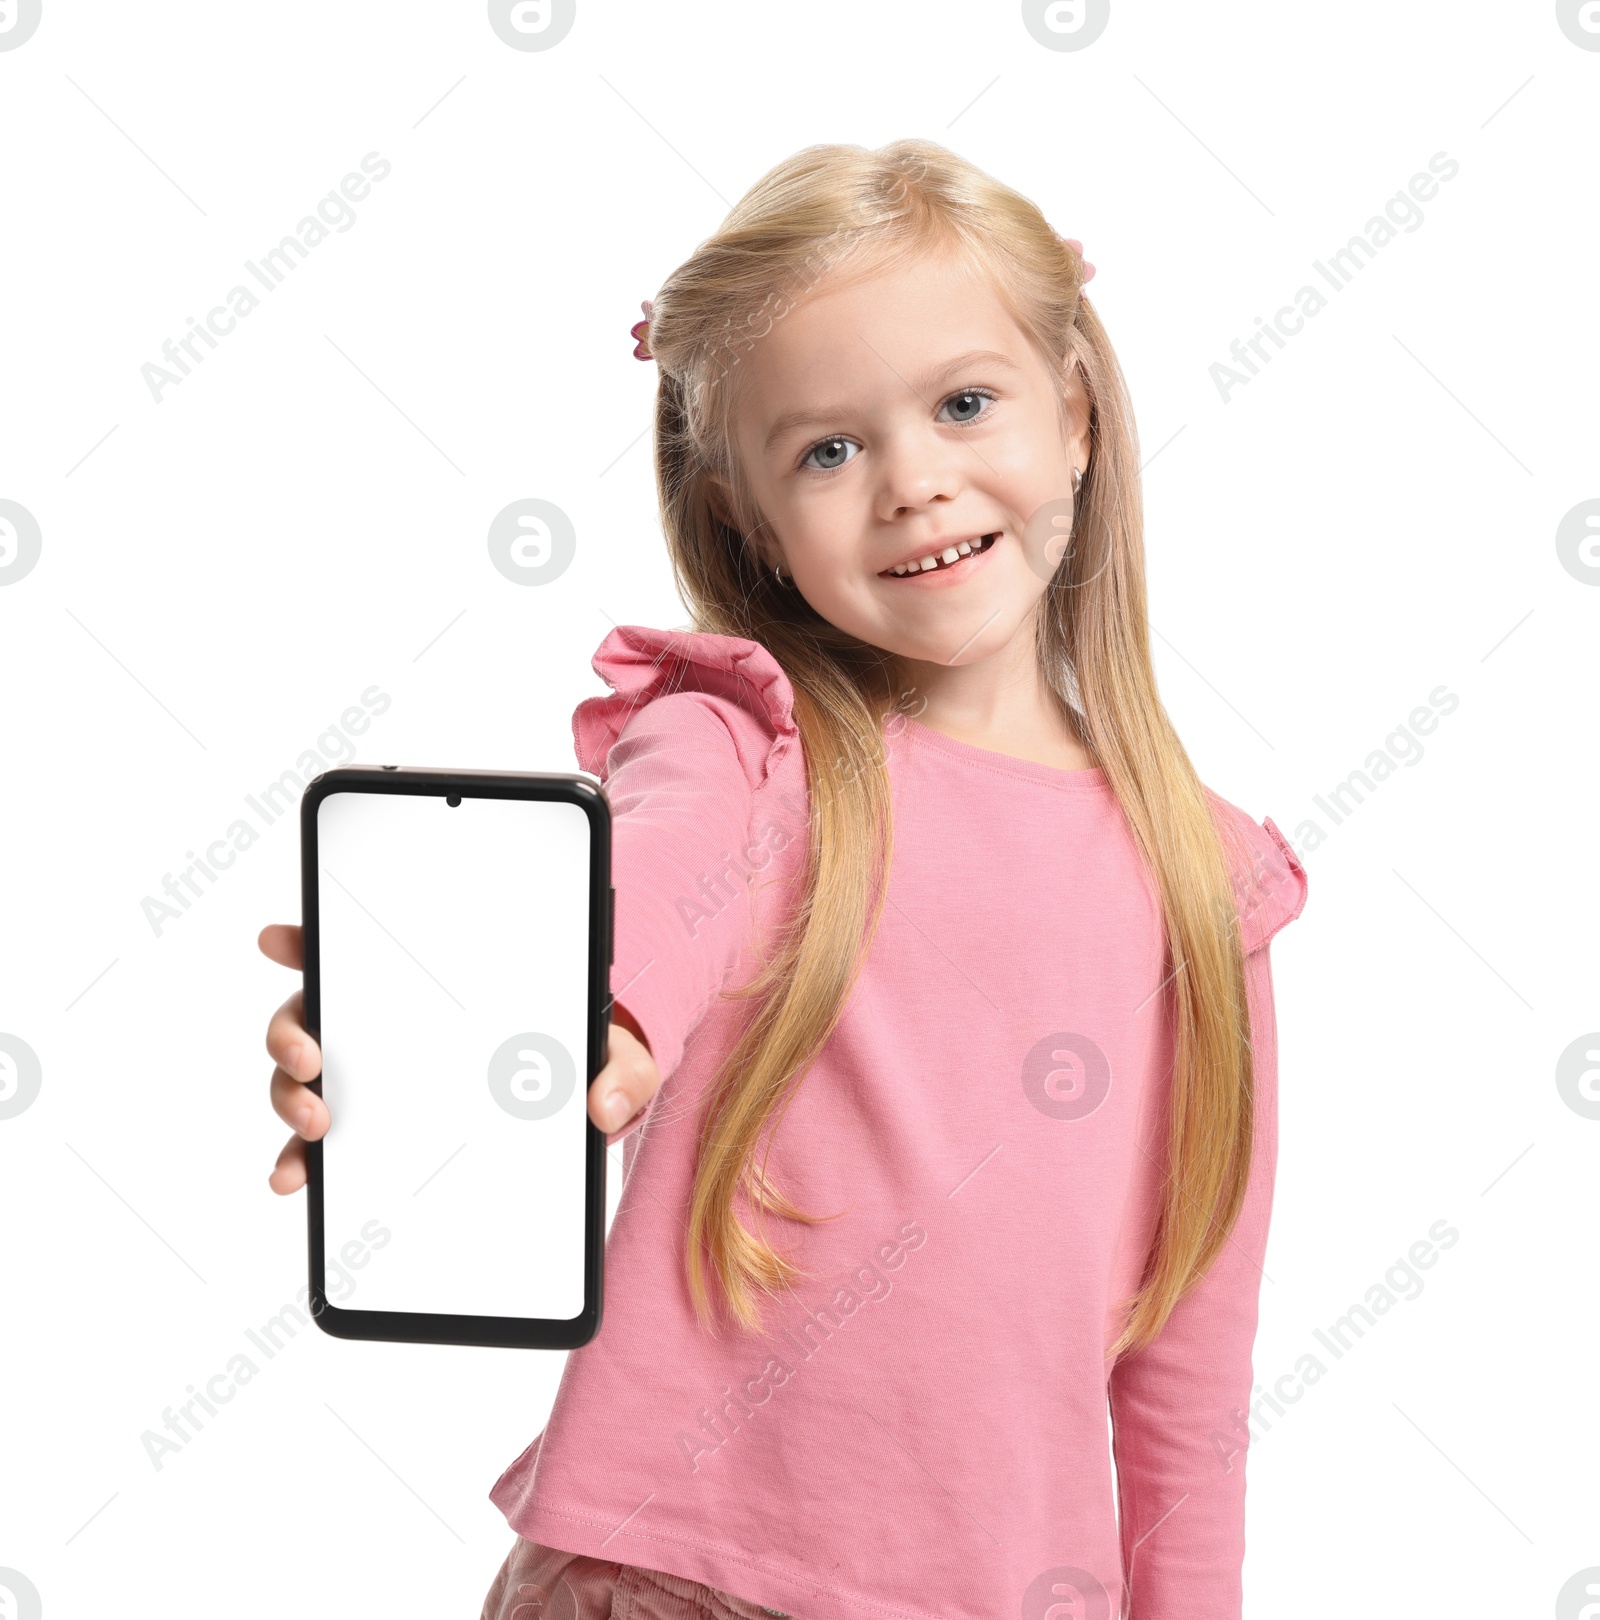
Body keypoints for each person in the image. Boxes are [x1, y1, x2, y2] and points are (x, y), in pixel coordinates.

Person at [260, 138, 1309, 1620]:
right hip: (674, 1584)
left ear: (1072, 410)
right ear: (748, 513)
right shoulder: (741, 743)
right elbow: (645, 896)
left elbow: (1192, 1366)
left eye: (963, 402)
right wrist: (570, 1029)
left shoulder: (1208, 879)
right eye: (826, 448)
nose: (912, 482)